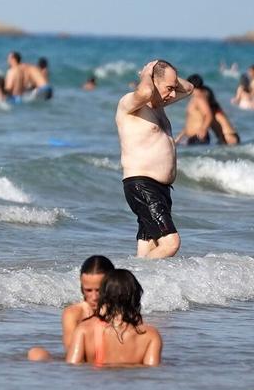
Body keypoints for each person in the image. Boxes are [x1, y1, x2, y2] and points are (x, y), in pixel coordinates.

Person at [116, 60, 192, 259]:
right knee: (171, 243)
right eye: (169, 88)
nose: (173, 94)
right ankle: (129, 273)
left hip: (161, 189)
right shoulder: (129, 104)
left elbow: (189, 88)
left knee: (148, 248)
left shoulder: (159, 107)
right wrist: (146, 74)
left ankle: (135, 277)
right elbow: (144, 93)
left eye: (174, 88)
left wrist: (166, 73)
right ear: (152, 82)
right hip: (142, 185)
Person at [66, 268, 162, 367]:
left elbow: (72, 367)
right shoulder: (150, 335)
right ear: (136, 296)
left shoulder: (84, 330)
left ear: (103, 295)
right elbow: (151, 373)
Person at [27, 255, 115, 361]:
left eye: (99, 290)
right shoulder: (74, 313)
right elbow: (71, 352)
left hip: (111, 359)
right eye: (88, 290)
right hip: (80, 360)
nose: (94, 297)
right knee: (35, 353)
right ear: (82, 286)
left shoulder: (120, 310)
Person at [175, 74, 213, 145]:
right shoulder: (194, 99)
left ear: (190, 84)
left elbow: (208, 115)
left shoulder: (199, 98)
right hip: (193, 138)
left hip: (199, 136)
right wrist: (179, 137)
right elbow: (190, 122)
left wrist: (203, 129)